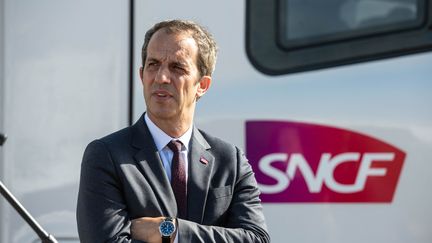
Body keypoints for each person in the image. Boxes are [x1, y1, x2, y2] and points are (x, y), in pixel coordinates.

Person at [76, 19, 270, 243]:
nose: (161, 77)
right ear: (142, 76)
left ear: (203, 85)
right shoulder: (106, 156)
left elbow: (256, 239)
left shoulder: (230, 161)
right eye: (153, 65)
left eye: (177, 67)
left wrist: (171, 230)